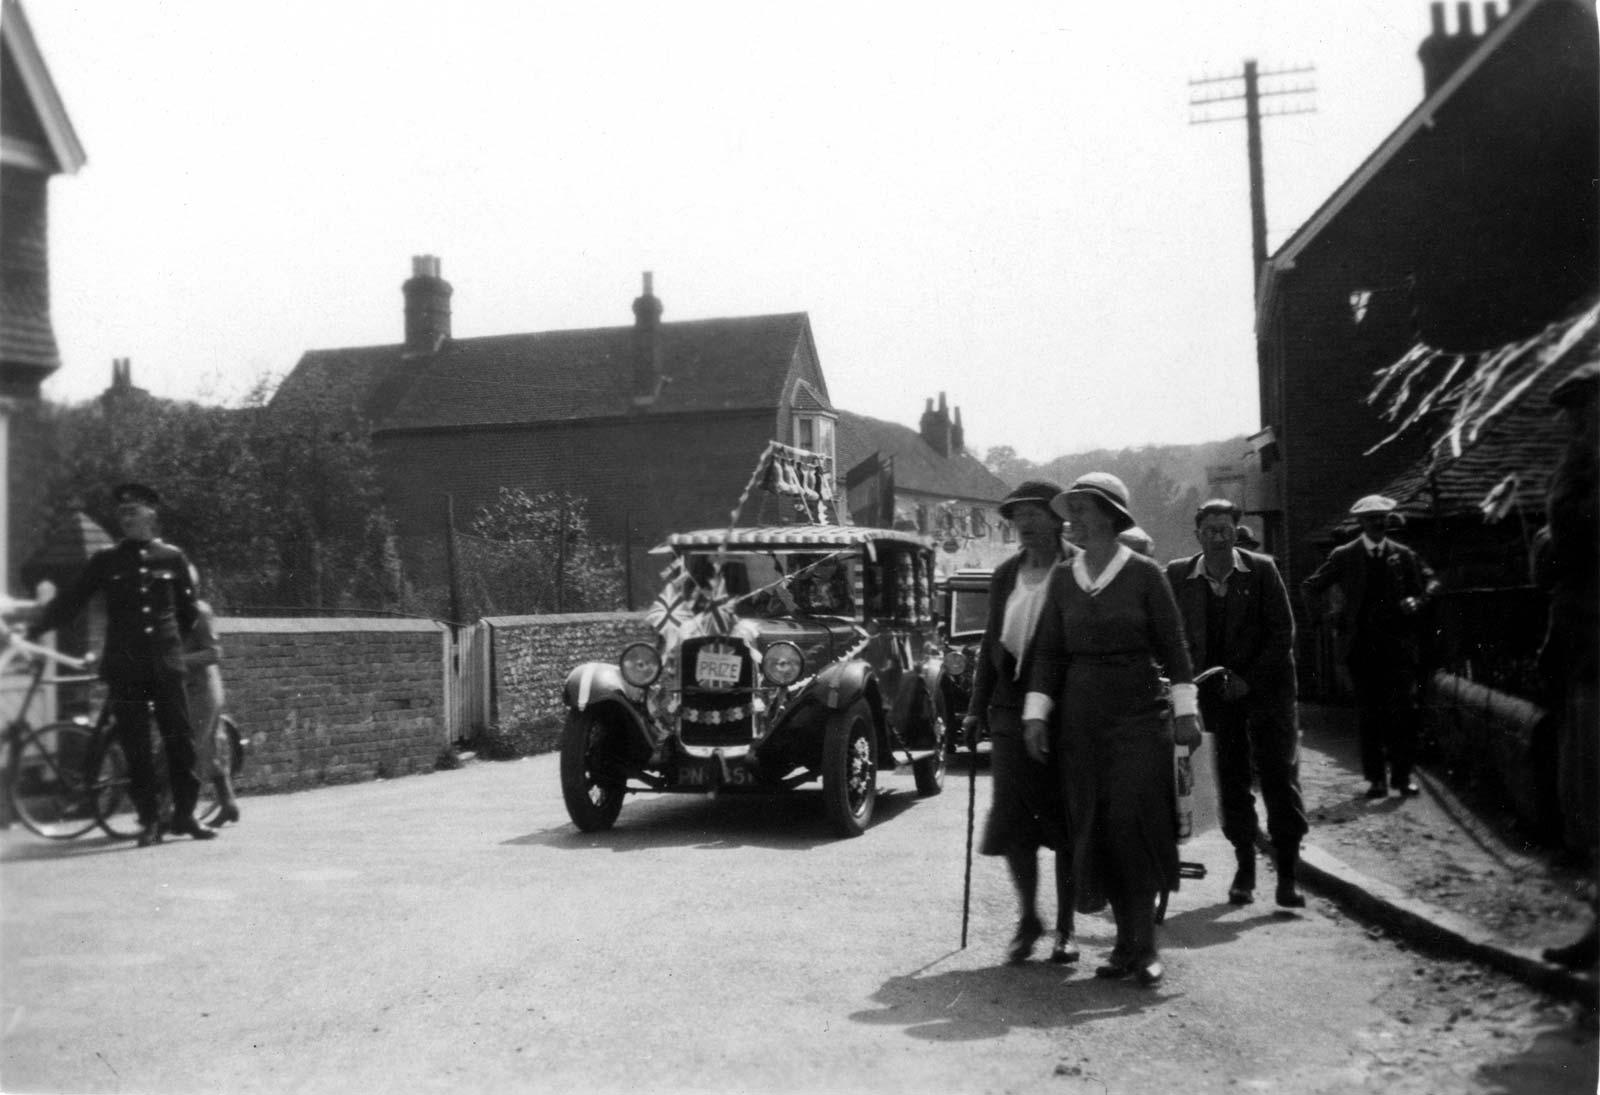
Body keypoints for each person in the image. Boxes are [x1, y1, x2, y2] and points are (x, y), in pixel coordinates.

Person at [1023, 473, 1200, 987]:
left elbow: (1176, 648)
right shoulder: (1062, 578)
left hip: (1139, 716)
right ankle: (1124, 945)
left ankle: (1144, 948)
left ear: (1108, 515)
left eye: (1080, 509)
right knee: (1096, 831)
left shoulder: (1145, 574)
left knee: (1133, 829)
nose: (1070, 518)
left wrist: (1186, 710)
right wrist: (1037, 713)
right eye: (1069, 509)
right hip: (1080, 720)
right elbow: (1049, 653)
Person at [25, 483, 216, 845]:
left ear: (151, 514)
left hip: (164, 665)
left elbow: (187, 614)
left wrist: (168, 647)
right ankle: (149, 821)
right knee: (136, 746)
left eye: (134, 511)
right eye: (122, 513)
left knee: (181, 741)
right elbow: (71, 601)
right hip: (125, 668)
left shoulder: (172, 558)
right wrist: (37, 628)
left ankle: (185, 816)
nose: (126, 518)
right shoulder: (105, 560)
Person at [1165, 499, 1307, 907]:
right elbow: (1170, 635)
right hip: (1214, 694)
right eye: (1209, 530)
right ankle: (1245, 866)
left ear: (1235, 531)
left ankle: (1288, 875)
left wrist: (1249, 681)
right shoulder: (1179, 575)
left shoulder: (1261, 571)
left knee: (1279, 777)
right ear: (1198, 534)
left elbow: (1282, 634)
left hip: (1266, 692)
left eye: (1224, 529)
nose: (1217, 537)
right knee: (1231, 782)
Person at [964, 480, 1078, 965]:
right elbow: (993, 640)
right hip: (1010, 711)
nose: (1026, 524)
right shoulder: (1007, 572)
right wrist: (974, 707)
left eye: (1035, 513)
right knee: (1013, 819)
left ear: (1058, 518)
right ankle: (1030, 916)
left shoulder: (1076, 568)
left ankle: (1067, 928)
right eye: (1017, 516)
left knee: (1067, 817)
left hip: (1066, 708)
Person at [1300, 494, 1441, 800]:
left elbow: (1432, 581)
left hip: (1397, 647)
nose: (1379, 523)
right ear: (1361, 522)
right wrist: (1326, 619)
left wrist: (1418, 600)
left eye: (1383, 518)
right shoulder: (1345, 555)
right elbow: (1311, 587)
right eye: (1372, 518)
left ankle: (1402, 778)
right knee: (1370, 716)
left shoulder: (1403, 554)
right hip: (1361, 649)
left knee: (1403, 713)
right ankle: (1376, 780)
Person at [1537, 361, 1599, 969]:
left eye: (1586, 410)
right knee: (1586, 798)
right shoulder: (1579, 468)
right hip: (1586, 654)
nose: (1577, 425)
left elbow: (1574, 533)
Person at [184, 565, 240, 825]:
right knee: (208, 748)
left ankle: (181, 813)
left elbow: (213, 653)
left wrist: (179, 661)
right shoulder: (176, 612)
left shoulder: (199, 611)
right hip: (193, 688)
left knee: (192, 748)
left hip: (202, 690)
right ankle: (228, 803)